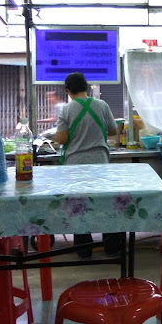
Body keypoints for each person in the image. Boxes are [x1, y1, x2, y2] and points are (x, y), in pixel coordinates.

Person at [54, 72, 122, 258]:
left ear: (68, 91)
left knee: (79, 206)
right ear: (86, 86)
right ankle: (112, 247)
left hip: (75, 166)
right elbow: (113, 130)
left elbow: (61, 138)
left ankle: (84, 249)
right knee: (107, 204)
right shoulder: (102, 105)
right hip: (100, 162)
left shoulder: (66, 109)